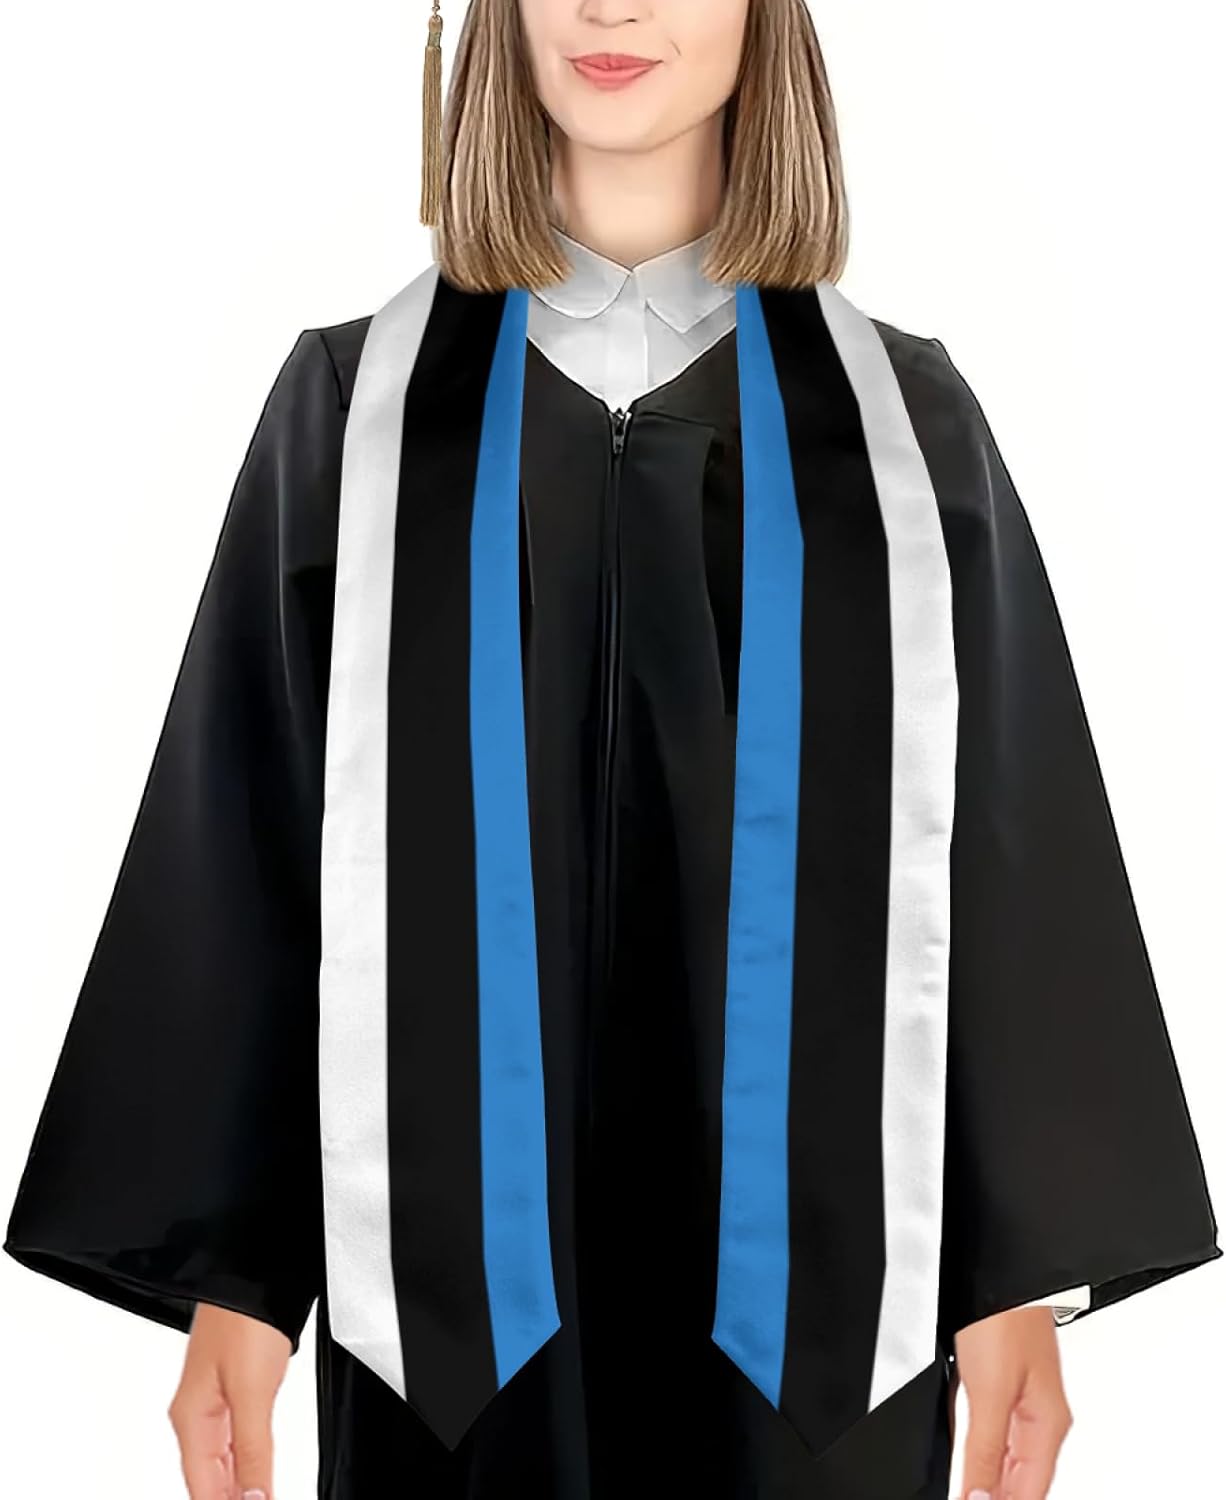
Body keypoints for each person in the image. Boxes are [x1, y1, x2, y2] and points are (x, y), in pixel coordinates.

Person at [5, 2, 1220, 1498]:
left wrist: (1008, 1276)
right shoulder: (360, 417)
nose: (612, 5)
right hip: (453, 1349)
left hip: (814, 1335)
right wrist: (237, 1286)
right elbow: (247, 845)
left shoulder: (901, 435)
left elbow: (1003, 851)